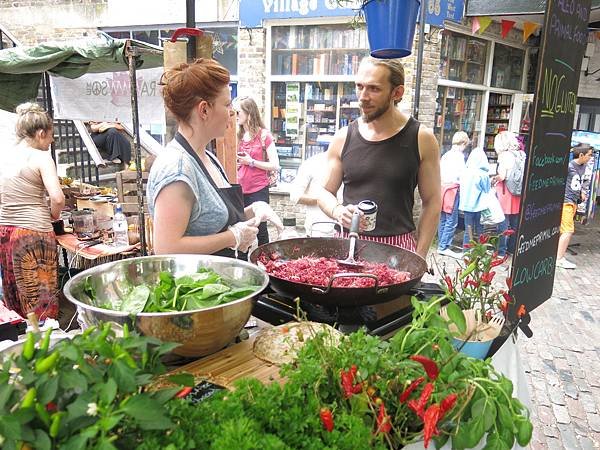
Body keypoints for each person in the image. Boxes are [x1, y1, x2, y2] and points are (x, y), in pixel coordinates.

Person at [147, 59, 282, 259]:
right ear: (204, 110)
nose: (232, 112)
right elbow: (166, 246)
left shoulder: (208, 157)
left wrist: (252, 211)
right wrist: (232, 237)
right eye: (227, 104)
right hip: (195, 287)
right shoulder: (177, 169)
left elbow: (211, 222)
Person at [317, 56, 441, 259]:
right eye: (359, 87)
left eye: (374, 89)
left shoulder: (422, 138)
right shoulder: (343, 137)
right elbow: (323, 192)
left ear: (397, 92)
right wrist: (338, 211)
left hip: (398, 250)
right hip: (348, 246)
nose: (363, 97)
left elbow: (433, 201)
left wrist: (419, 257)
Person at [0, 102, 65, 320]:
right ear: (40, 133)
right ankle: (45, 344)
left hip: (5, 231)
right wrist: (54, 215)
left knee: (16, 295)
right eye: (50, 135)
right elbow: (57, 197)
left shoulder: (5, 156)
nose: (52, 140)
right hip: (32, 234)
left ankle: (20, 343)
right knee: (40, 299)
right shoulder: (41, 157)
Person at [235, 96, 280, 246]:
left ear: (249, 112)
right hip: (240, 189)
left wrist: (251, 162)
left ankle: (264, 261)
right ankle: (244, 261)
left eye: (238, 112)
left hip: (258, 189)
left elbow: (275, 165)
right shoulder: (238, 136)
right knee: (242, 226)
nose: (235, 116)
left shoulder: (264, 135)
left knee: (261, 227)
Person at [556, 144, 593, 269]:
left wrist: (582, 191)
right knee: (568, 230)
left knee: (564, 230)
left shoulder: (584, 167)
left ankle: (559, 255)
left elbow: (583, 181)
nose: (590, 158)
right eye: (589, 155)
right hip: (566, 201)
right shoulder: (569, 166)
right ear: (581, 155)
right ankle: (559, 258)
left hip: (574, 202)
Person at [289, 151, 341, 237]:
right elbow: (295, 196)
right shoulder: (313, 163)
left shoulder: (353, 162)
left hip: (346, 231)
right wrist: (322, 201)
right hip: (319, 230)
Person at [492, 131, 524, 256]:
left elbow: (503, 176)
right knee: (515, 223)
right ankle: (512, 248)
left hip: (505, 192)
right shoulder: (521, 154)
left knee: (502, 222)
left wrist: (494, 178)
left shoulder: (504, 156)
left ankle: (500, 250)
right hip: (517, 191)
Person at [437, 131, 468, 258]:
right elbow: (462, 175)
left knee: (443, 218)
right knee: (451, 219)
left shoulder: (446, 155)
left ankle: (441, 243)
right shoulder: (459, 157)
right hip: (453, 189)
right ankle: (444, 246)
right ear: (464, 143)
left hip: (443, 188)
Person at [458, 143, 491, 249]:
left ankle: (466, 251)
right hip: (479, 206)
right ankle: (480, 251)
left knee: (468, 230)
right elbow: (487, 190)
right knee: (480, 230)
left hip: (467, 205)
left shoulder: (465, 171)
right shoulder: (483, 174)